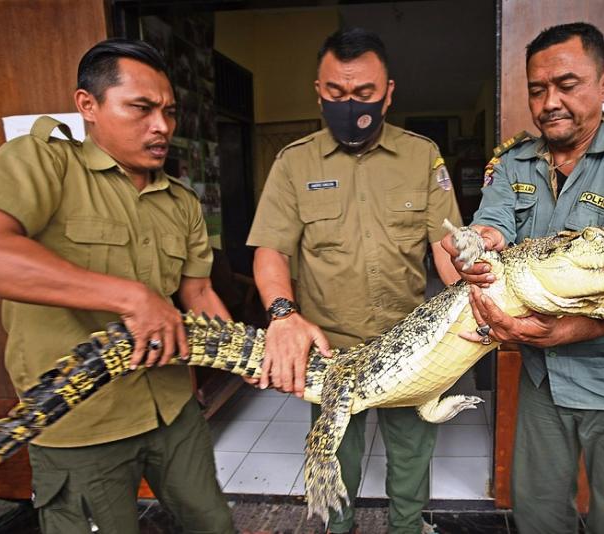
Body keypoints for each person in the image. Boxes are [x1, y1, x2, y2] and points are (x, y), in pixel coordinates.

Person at [0, 39, 234, 534]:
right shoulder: (43, 163)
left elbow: (198, 295)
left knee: (211, 523)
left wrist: (246, 355)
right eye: (141, 109)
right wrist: (131, 297)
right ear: (89, 106)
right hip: (80, 425)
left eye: (169, 111)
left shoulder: (182, 201)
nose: (162, 126)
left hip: (173, 410)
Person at [442, 22, 604, 534]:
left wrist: (556, 331)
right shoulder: (513, 161)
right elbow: (496, 224)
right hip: (546, 378)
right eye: (537, 89)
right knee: (537, 516)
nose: (550, 101)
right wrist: (476, 246)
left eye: (567, 84)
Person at [247, 28, 462, 534]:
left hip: (409, 345)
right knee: (334, 458)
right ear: (318, 92)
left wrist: (473, 299)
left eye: (364, 94)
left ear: (388, 92)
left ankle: (408, 526)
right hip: (330, 350)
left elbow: (445, 247)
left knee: (412, 452)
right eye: (337, 94)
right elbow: (270, 250)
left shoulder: (421, 156)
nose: (350, 105)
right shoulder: (293, 163)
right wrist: (282, 315)